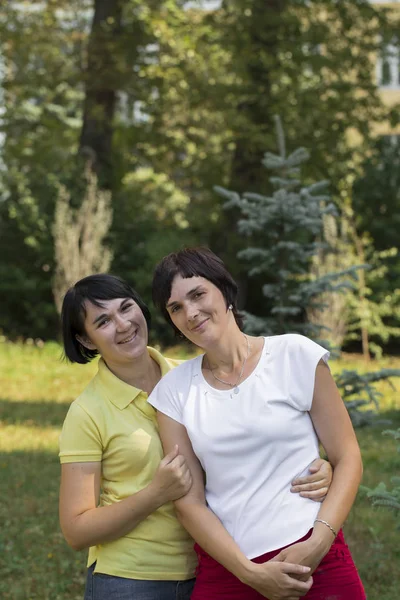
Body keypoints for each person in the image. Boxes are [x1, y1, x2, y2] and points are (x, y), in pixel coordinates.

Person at [58, 273, 332, 600]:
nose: (122, 324)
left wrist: (315, 466)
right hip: (131, 581)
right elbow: (76, 530)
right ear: (86, 340)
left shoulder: (192, 379)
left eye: (126, 308)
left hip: (212, 568)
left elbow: (246, 448)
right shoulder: (87, 412)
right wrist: (156, 493)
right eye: (103, 321)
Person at [149, 247, 366, 600]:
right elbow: (189, 503)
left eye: (198, 294)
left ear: (225, 290)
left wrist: (318, 542)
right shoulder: (172, 392)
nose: (190, 312)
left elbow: (348, 456)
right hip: (229, 569)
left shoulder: (295, 355)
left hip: (314, 559)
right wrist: (250, 574)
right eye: (175, 307)